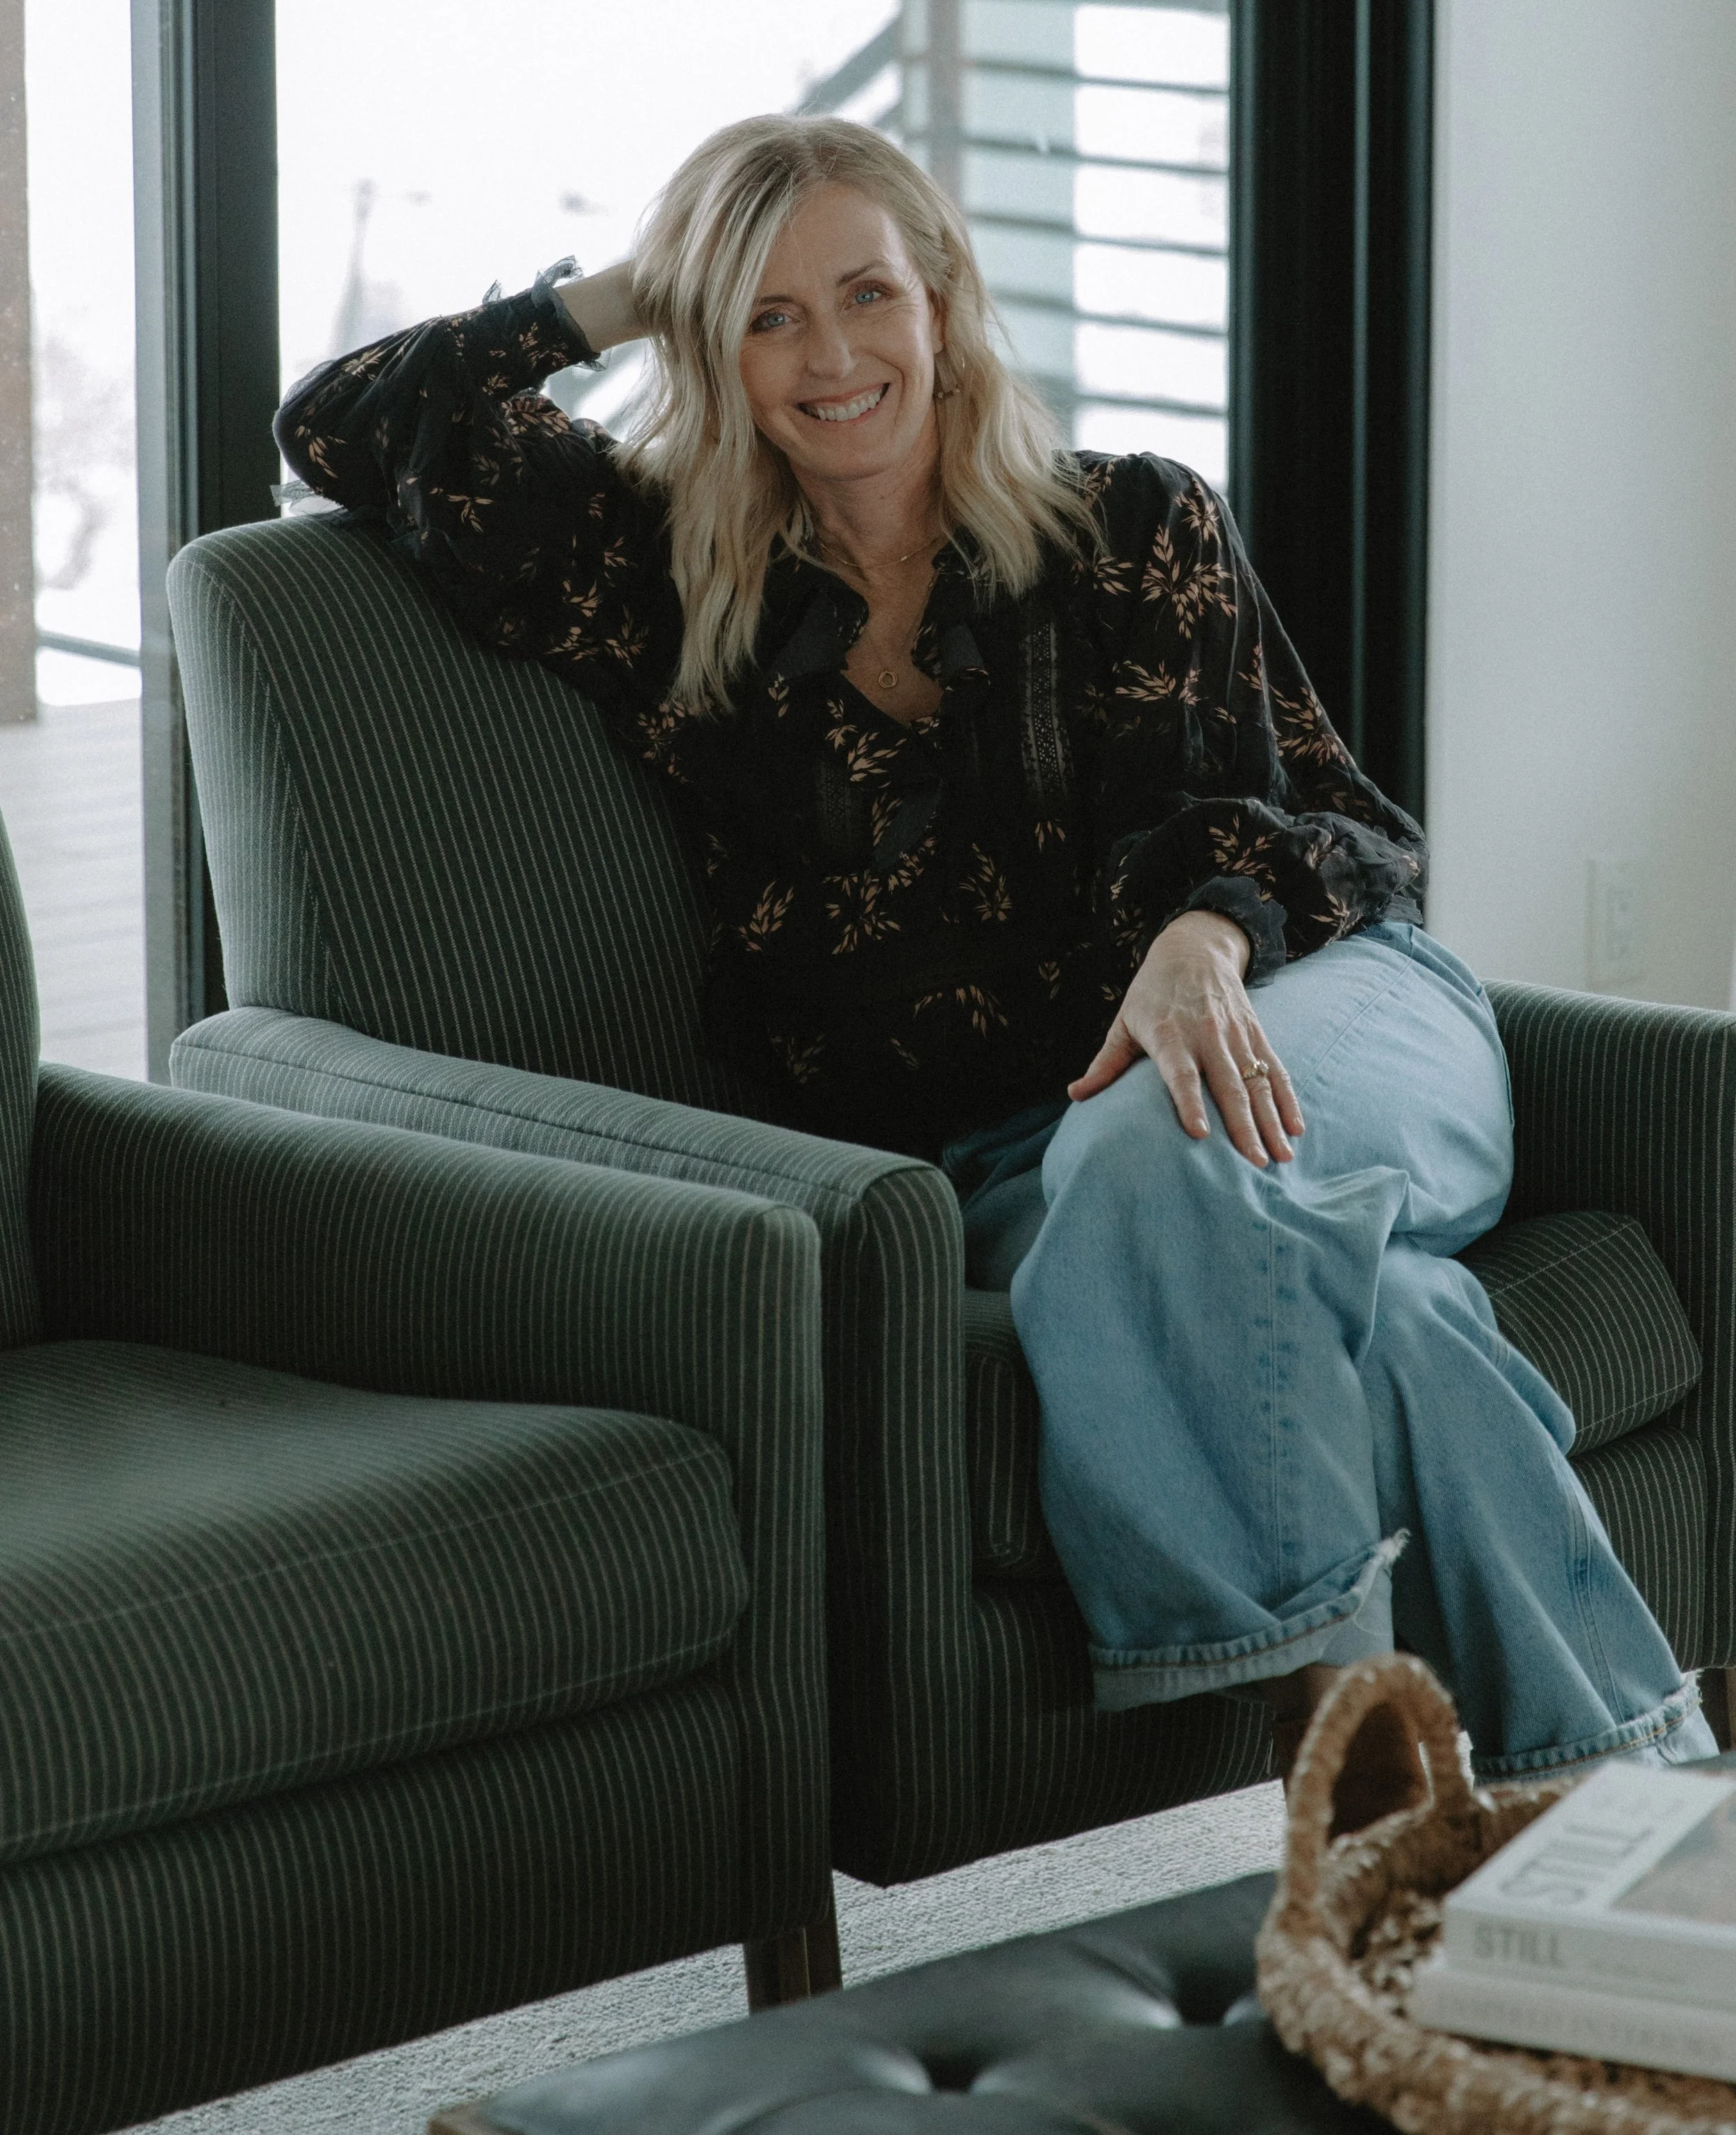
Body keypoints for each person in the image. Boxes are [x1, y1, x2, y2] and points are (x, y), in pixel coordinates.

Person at [276, 114, 1717, 1826]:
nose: (830, 357)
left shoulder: (1129, 527)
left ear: (942, 301)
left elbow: (1306, 828)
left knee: (1159, 1132)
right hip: (1007, 1161)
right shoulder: (665, 580)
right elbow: (339, 426)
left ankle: (1337, 1749)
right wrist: (628, 292)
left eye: (866, 293)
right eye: (765, 315)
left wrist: (1195, 945)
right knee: (1381, 1309)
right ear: (711, 350)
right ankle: (1642, 1827)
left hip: (1323, 1012)